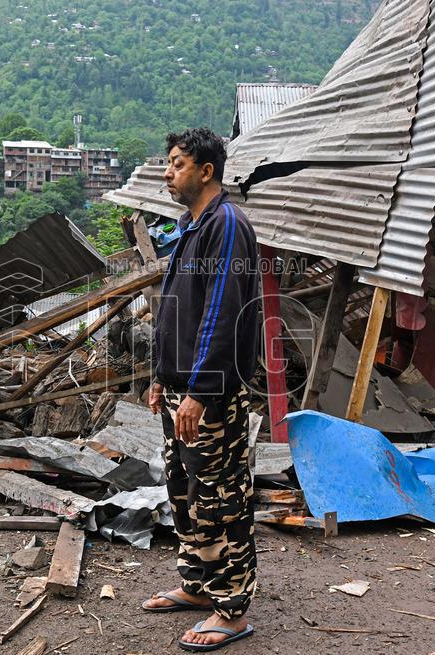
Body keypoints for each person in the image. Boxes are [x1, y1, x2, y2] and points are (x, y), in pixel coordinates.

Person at [142, 127, 260, 652]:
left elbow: (222, 311)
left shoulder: (226, 225)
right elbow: (173, 311)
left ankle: (231, 606)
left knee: (222, 494)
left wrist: (200, 391)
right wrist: (158, 378)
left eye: (176, 164)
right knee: (187, 494)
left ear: (206, 171)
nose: (168, 173)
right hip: (179, 388)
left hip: (206, 393)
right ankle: (198, 586)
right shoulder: (192, 226)